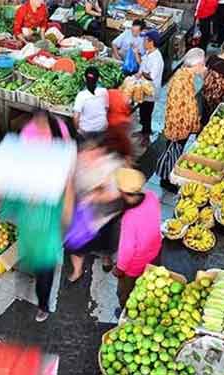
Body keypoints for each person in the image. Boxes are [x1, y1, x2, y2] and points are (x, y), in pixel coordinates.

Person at [0, 112, 75, 323]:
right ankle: (36, 268)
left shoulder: (60, 134)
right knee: (32, 252)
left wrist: (66, 212)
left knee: (45, 263)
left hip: (47, 221)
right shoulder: (28, 138)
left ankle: (44, 304)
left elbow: (67, 172)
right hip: (31, 218)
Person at [66, 137, 125, 283]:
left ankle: (106, 258)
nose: (85, 158)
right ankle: (77, 270)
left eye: (89, 153)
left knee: (106, 243)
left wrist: (95, 196)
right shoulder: (79, 163)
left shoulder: (113, 165)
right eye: (83, 154)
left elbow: (116, 193)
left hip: (107, 216)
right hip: (83, 216)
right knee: (75, 245)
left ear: (99, 152)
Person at [156, 48, 206, 193]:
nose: (203, 68)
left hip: (183, 126)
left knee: (175, 152)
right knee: (172, 152)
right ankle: (166, 179)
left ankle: (169, 176)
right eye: (202, 65)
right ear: (197, 65)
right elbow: (176, 110)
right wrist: (178, 132)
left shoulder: (186, 76)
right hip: (178, 127)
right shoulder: (180, 81)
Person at [112, 168, 161, 310]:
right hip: (155, 253)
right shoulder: (151, 196)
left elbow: (127, 250)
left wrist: (119, 268)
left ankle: (125, 311)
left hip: (135, 265)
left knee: (125, 293)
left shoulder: (130, 218)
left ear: (124, 194)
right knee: (146, 288)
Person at [136, 29, 164, 146]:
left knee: (147, 113)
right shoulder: (148, 53)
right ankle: (143, 131)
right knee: (142, 111)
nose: (143, 42)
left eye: (145, 40)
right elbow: (142, 65)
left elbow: (151, 76)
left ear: (151, 42)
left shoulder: (157, 58)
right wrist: (136, 54)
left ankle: (146, 136)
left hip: (151, 91)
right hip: (144, 88)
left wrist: (141, 74)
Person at [201, 38, 224, 125]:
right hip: (217, 98)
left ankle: (203, 124)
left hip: (206, 93)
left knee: (205, 114)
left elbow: (204, 72)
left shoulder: (212, 57)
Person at [73, 66, 109, 140]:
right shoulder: (104, 91)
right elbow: (106, 109)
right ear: (98, 79)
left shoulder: (81, 95)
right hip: (102, 127)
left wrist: (78, 130)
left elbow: (76, 117)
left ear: (84, 79)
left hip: (87, 130)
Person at [106, 89, 133, 162]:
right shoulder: (118, 93)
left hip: (114, 124)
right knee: (123, 142)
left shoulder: (107, 95)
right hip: (122, 122)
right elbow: (128, 107)